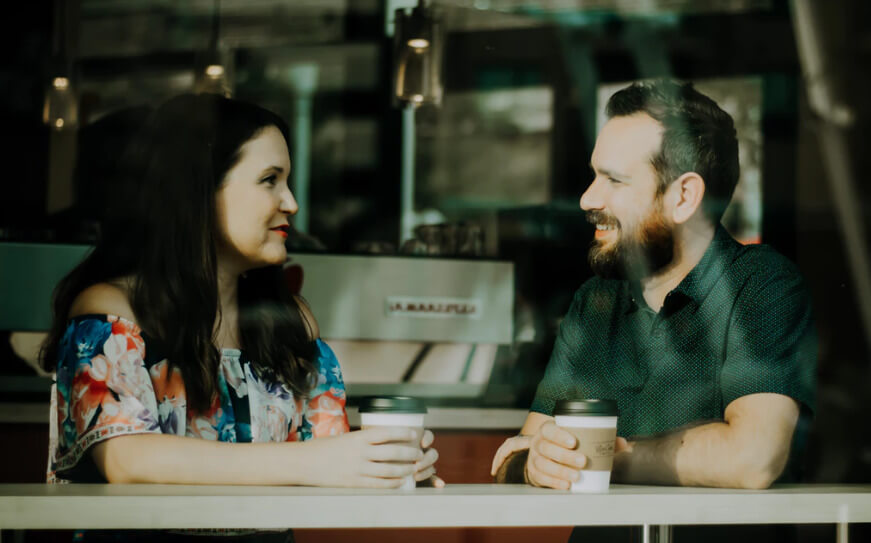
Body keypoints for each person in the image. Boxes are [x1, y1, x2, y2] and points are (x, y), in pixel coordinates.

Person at [40, 94, 441, 540]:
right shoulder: (112, 313)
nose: (291, 203)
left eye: (287, 181)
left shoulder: (289, 323)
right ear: (196, 192)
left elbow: (331, 457)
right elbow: (126, 460)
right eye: (269, 180)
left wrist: (388, 463)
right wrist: (320, 463)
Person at [491, 79, 816, 538]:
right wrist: (533, 465)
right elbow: (520, 453)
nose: (588, 199)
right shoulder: (595, 303)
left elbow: (753, 458)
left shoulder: (760, 285)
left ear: (683, 197)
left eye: (614, 180)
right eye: (593, 175)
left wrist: (609, 457)